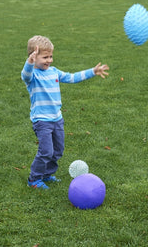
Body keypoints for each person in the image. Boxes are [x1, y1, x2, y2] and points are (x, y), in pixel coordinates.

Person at [21, 35, 109, 189]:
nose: (49, 60)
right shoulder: (32, 76)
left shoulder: (53, 72)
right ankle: (34, 179)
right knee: (46, 151)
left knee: (58, 150)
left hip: (57, 119)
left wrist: (92, 71)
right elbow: (25, 75)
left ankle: (47, 174)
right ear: (33, 57)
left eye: (51, 56)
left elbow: (72, 77)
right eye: (45, 57)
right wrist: (29, 62)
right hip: (42, 121)